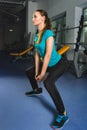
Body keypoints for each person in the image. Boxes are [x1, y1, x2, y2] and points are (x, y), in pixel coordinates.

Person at [25, 9, 69, 129]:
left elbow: (48, 54)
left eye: (35, 16)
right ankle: (36, 90)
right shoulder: (37, 36)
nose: (33, 18)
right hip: (47, 64)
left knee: (48, 83)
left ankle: (63, 113)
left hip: (59, 63)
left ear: (43, 18)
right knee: (29, 72)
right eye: (33, 17)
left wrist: (43, 73)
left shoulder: (48, 33)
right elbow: (37, 54)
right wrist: (36, 72)